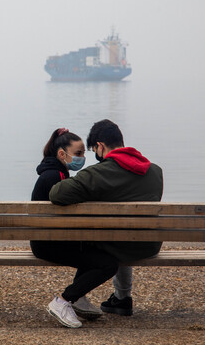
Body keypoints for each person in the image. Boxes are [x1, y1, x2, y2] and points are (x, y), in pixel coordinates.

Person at [35, 120, 164, 328]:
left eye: (93, 149)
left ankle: (69, 298)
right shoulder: (155, 171)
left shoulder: (97, 173)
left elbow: (57, 193)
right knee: (120, 237)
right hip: (148, 244)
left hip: (117, 243)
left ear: (100, 146)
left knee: (99, 244)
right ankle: (121, 299)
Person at [30, 128, 103, 328]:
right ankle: (64, 301)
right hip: (49, 245)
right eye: (78, 153)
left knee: (97, 254)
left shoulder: (54, 172)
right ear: (62, 154)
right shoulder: (57, 177)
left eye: (83, 154)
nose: (82, 158)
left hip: (46, 240)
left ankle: (77, 297)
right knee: (107, 263)